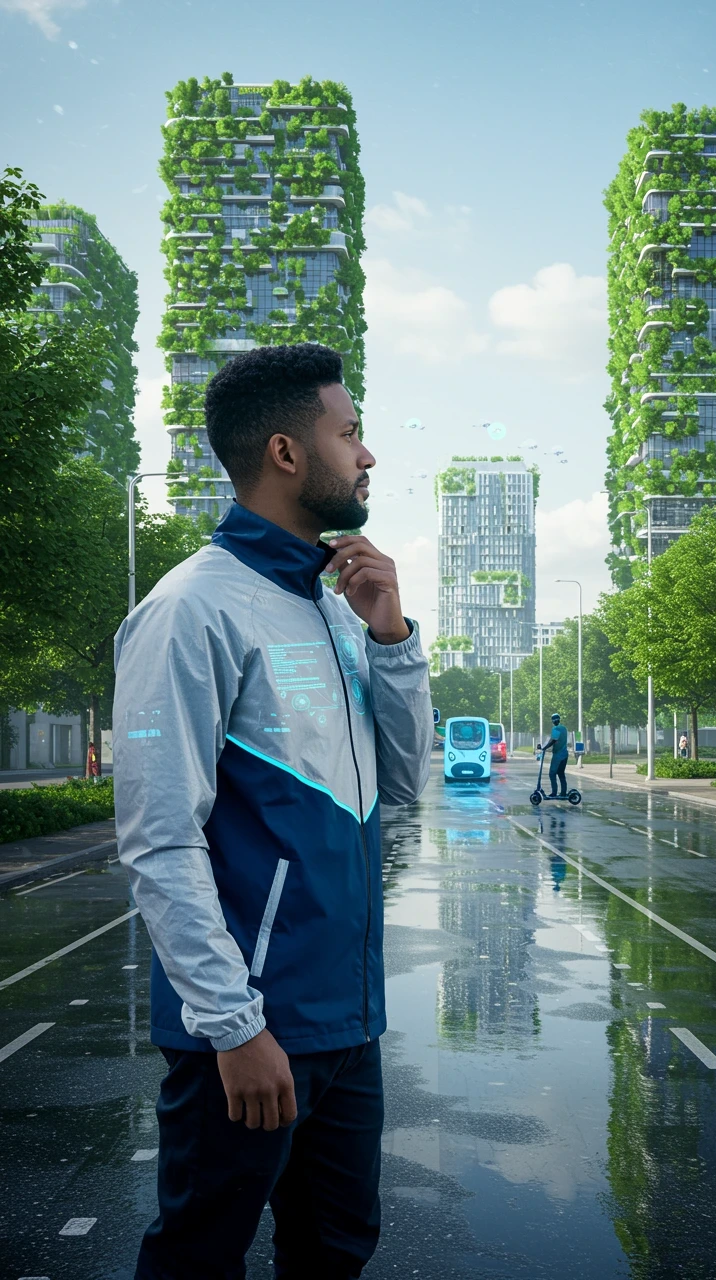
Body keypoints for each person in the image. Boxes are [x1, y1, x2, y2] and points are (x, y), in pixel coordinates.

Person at [112, 344, 433, 1280]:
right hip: (250, 1034)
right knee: (197, 1260)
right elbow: (160, 839)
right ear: (288, 453)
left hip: (348, 1020)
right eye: (351, 432)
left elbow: (404, 784)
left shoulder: (336, 605)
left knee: (335, 1254)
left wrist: (394, 637)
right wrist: (233, 1025)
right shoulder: (192, 610)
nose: (367, 456)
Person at [545, 712, 569, 797]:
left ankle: (554, 793)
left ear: (553, 721)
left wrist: (545, 747)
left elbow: (553, 740)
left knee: (552, 773)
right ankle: (563, 793)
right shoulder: (564, 728)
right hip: (565, 754)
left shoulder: (555, 729)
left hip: (558, 755)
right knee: (561, 773)